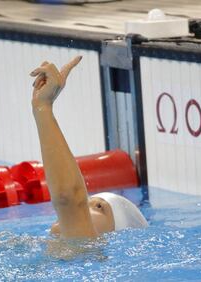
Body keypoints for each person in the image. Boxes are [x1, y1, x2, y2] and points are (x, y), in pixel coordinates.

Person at [30, 56, 148, 239]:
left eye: (99, 207)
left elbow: (70, 198)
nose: (84, 206)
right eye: (88, 202)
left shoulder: (90, 250)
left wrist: (43, 107)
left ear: (114, 233)